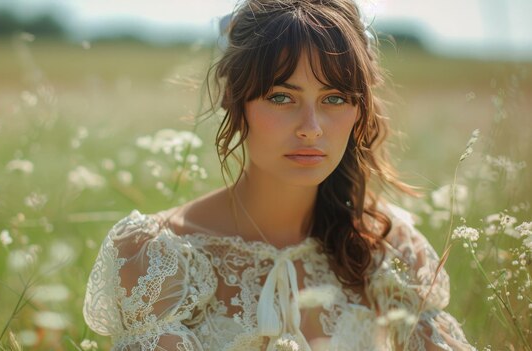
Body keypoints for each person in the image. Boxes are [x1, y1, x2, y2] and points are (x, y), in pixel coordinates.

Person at [83, 0, 475, 350]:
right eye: (281, 97)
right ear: (234, 99)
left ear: (359, 111)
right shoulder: (154, 256)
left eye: (334, 98)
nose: (311, 127)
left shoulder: (388, 245)